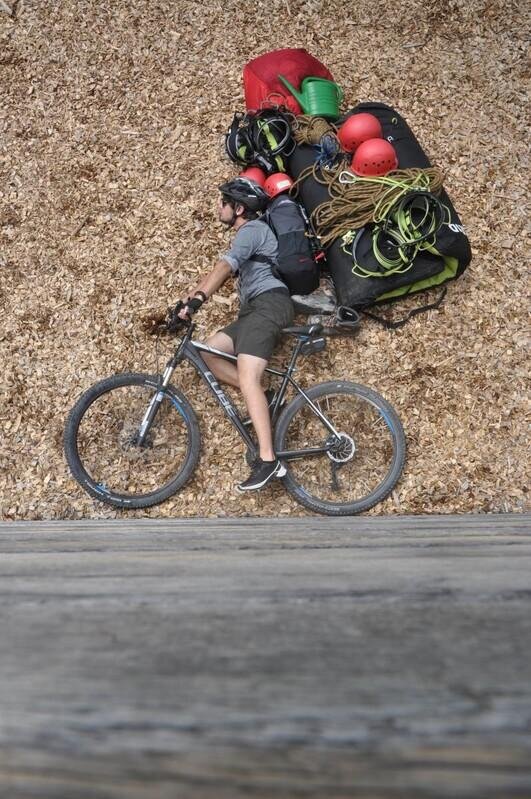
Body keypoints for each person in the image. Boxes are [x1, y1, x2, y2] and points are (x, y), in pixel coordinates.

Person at [178, 177, 294, 492]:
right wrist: (186, 303)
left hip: (270, 305)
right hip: (253, 311)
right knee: (207, 352)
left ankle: (269, 460)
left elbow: (224, 268)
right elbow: (215, 273)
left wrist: (198, 300)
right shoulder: (249, 233)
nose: (219, 207)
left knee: (247, 377)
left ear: (238, 208)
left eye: (223, 202)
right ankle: (266, 396)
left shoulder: (251, 231)